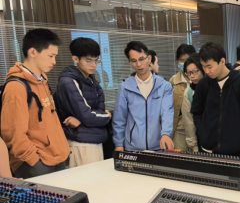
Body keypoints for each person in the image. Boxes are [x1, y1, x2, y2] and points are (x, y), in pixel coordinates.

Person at [1, 29, 69, 178]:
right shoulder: (16, 87)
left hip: (56, 158)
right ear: (32, 52)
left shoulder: (42, 81)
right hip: (36, 164)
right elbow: (13, 135)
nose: (54, 61)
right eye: (50, 56)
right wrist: (35, 161)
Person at [191, 43, 240, 157]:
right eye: (203, 66)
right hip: (207, 150)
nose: (206, 71)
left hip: (235, 151)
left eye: (209, 66)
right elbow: (196, 112)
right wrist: (202, 131)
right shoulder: (203, 84)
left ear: (222, 61)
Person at [54, 37, 112, 167]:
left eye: (96, 60)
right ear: (76, 59)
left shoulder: (91, 79)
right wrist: (107, 116)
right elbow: (88, 116)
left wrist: (83, 119)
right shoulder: (69, 81)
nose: (94, 65)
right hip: (80, 142)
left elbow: (97, 110)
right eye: (88, 61)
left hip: (94, 139)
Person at [113, 41, 174, 152]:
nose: (138, 64)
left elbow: (167, 112)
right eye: (134, 61)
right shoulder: (125, 87)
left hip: (158, 146)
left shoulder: (164, 86)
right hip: (132, 148)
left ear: (149, 59)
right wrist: (119, 144)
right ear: (129, 62)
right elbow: (119, 119)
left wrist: (166, 134)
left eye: (141, 59)